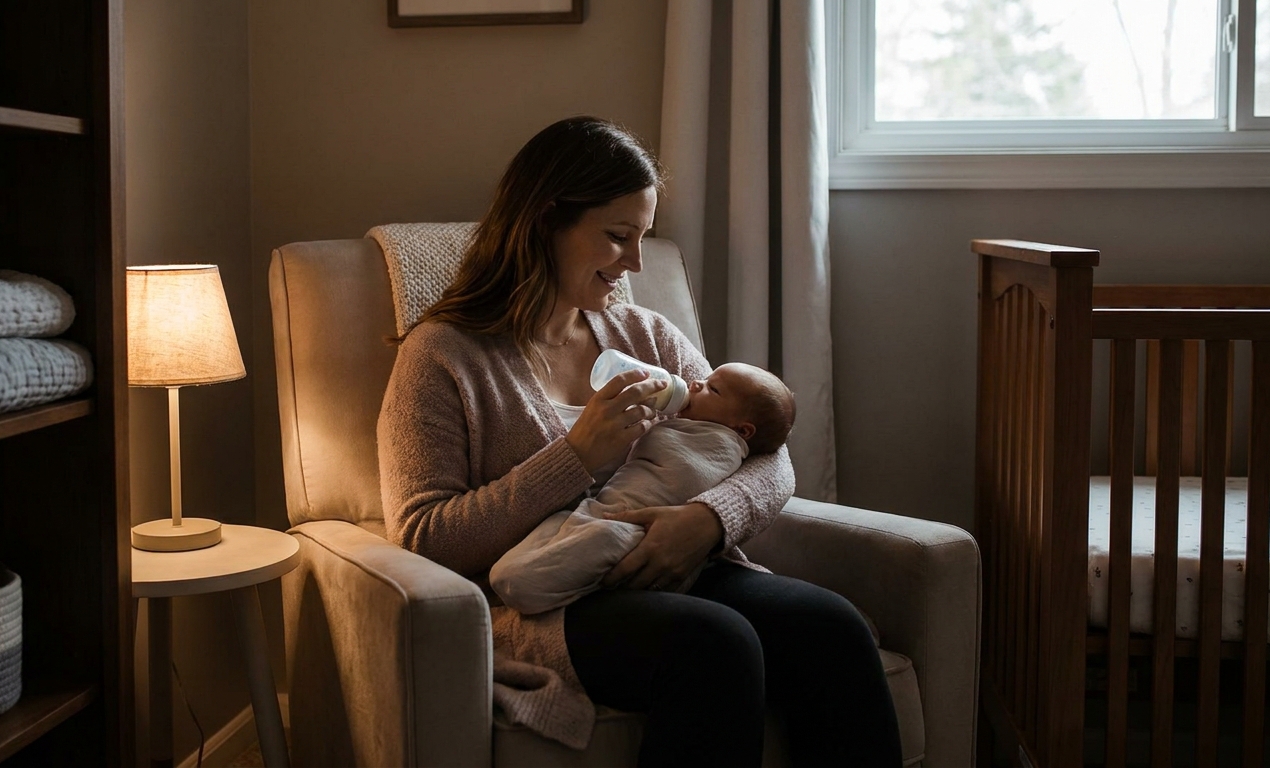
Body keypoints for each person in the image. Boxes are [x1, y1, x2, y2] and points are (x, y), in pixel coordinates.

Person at [378, 116, 902, 767]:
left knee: (833, 628)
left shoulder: (642, 335)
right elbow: (423, 536)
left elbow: (762, 452)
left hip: (667, 570)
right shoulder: (442, 356)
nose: (634, 262)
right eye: (619, 237)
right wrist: (576, 459)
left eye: (642, 238)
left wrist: (707, 522)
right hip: (544, 600)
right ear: (546, 220)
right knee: (715, 644)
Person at [489, 362, 797, 615]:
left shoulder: (649, 331)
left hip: (641, 537)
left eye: (711, 388)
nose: (693, 383)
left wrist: (710, 519)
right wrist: (576, 453)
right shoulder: (453, 354)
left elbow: (774, 455)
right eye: (704, 380)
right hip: (596, 517)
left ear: (741, 431)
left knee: (827, 619)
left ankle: (533, 588)